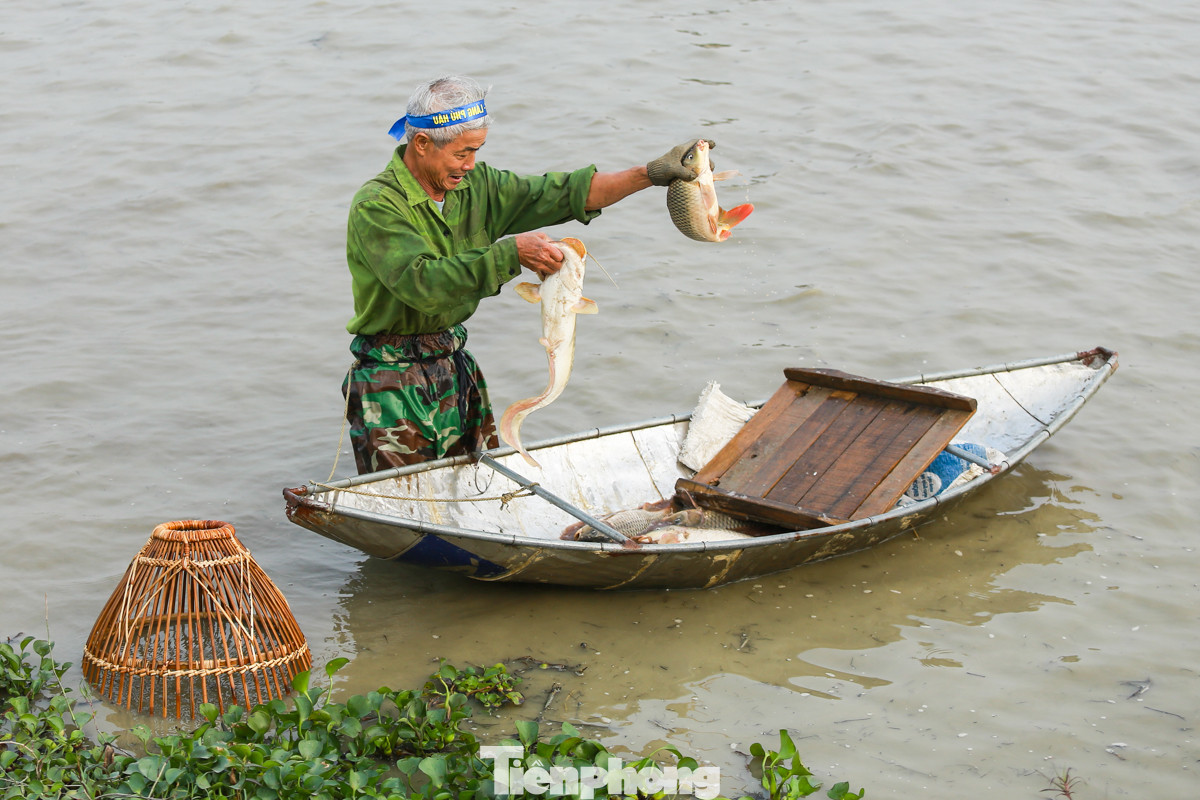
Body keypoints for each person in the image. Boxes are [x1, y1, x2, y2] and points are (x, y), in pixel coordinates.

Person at [342, 74, 711, 474]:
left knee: (475, 486)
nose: (470, 165)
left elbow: (566, 193)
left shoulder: (477, 184)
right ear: (422, 143)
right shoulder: (376, 205)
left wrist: (652, 174)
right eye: (462, 154)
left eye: (477, 151)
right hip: (389, 379)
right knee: (404, 497)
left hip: (452, 363)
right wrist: (510, 253)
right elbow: (424, 285)